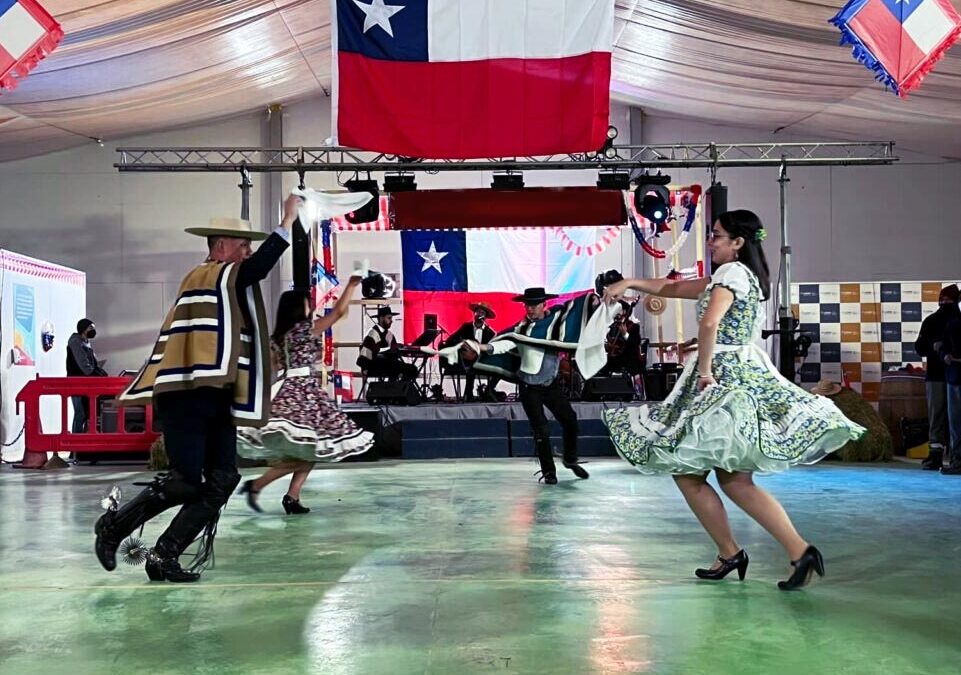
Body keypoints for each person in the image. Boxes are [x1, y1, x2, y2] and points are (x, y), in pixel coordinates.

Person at [603, 210, 864, 590]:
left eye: (716, 235)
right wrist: (630, 282)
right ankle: (786, 551)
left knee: (701, 474)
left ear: (738, 242)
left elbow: (710, 322)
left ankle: (742, 551)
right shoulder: (739, 276)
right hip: (737, 369)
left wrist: (704, 369)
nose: (710, 241)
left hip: (724, 376)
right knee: (730, 479)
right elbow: (674, 289)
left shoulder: (731, 273)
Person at [94, 196, 299, 583]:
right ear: (221, 246)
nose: (247, 253)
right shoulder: (206, 276)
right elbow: (258, 267)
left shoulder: (224, 285)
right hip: (186, 394)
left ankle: (164, 555)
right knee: (184, 481)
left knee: (223, 479)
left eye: (249, 247)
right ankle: (113, 528)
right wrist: (287, 221)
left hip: (216, 395)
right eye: (243, 245)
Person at [237, 282, 375, 514]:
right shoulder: (305, 330)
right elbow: (338, 312)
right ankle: (258, 485)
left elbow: (273, 369)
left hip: (286, 390)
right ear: (297, 308)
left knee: (312, 447)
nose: (309, 305)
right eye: (306, 302)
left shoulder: (277, 338)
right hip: (305, 393)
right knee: (312, 447)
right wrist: (352, 284)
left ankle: (292, 496)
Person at [463, 288, 608, 484]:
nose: (530, 309)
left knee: (570, 420)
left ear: (543, 304)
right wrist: (481, 347)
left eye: (534, 305)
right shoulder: (521, 329)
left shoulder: (557, 323)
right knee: (541, 430)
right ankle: (549, 472)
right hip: (529, 388)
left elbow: (578, 312)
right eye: (527, 305)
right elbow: (504, 344)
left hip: (550, 385)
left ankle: (570, 459)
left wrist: (595, 302)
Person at [914, 285, 960, 470]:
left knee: (941, 417)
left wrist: (937, 348)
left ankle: (939, 456)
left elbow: (920, 348)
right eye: (944, 300)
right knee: (950, 418)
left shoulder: (933, 320)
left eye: (947, 300)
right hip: (948, 375)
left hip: (943, 376)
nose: (945, 303)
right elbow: (920, 347)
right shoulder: (949, 320)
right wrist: (936, 348)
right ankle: (949, 457)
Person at [441, 302, 497, 401]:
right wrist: (462, 343)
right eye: (477, 312)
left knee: (496, 368)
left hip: (482, 361)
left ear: (485, 317)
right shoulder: (466, 327)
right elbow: (450, 340)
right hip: (465, 360)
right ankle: (469, 394)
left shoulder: (490, 333)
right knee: (471, 365)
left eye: (482, 313)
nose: (479, 314)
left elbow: (491, 349)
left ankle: (487, 391)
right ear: (474, 314)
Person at [66, 318, 107, 433]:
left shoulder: (86, 342)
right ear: (83, 329)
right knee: (80, 412)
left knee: (86, 413)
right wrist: (95, 373)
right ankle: (76, 439)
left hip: (86, 383)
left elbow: (93, 362)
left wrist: (100, 372)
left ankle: (82, 436)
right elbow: (83, 364)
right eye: (90, 328)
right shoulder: (75, 342)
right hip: (77, 382)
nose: (93, 330)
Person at [356, 306, 418, 382]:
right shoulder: (373, 333)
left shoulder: (389, 334)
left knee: (412, 369)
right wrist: (391, 348)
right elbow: (369, 354)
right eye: (389, 318)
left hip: (387, 362)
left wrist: (400, 348)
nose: (391, 321)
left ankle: (398, 387)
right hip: (372, 364)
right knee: (398, 367)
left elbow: (393, 351)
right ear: (381, 318)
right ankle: (393, 387)